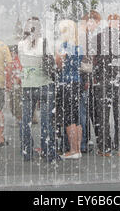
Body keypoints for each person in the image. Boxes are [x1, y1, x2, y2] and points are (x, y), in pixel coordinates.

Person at [18, 17, 59, 162]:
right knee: (47, 121)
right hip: (44, 85)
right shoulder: (44, 43)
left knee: (26, 121)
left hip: (27, 86)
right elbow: (51, 64)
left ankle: (27, 152)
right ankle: (48, 153)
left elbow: (23, 64)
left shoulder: (21, 44)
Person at [93, 14, 120, 157]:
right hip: (119, 81)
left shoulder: (97, 38)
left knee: (102, 116)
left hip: (102, 82)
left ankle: (104, 148)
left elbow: (92, 60)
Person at [55, 19, 83, 159]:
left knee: (69, 117)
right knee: (76, 118)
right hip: (77, 82)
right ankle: (78, 149)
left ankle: (73, 151)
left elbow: (59, 64)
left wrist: (56, 54)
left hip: (67, 83)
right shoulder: (78, 46)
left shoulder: (66, 45)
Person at [79, 10, 102, 153]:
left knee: (86, 111)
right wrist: (88, 78)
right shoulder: (84, 36)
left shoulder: (85, 35)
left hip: (83, 78)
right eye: (95, 23)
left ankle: (86, 141)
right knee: (84, 112)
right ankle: (83, 143)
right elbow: (84, 61)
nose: (96, 26)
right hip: (83, 79)